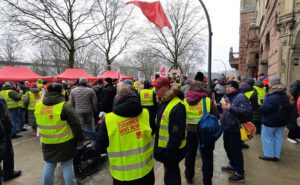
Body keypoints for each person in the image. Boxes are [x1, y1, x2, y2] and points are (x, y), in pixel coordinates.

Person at [95, 83, 155, 185]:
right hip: (146, 172)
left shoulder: (109, 119)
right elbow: (153, 132)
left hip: (122, 176)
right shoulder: (146, 114)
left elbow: (100, 147)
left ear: (117, 98)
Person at [34, 83, 84, 185]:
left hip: (46, 141)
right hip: (65, 142)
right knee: (67, 164)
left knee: (49, 163)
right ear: (61, 92)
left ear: (47, 91)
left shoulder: (38, 105)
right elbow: (76, 124)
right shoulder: (65, 106)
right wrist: (80, 138)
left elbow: (37, 122)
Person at [183, 80, 220, 185]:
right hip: (205, 132)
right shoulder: (207, 101)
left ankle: (189, 176)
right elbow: (217, 116)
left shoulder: (185, 101)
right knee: (207, 157)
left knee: (190, 154)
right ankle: (207, 181)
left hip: (190, 132)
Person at [152, 77, 186, 185]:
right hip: (166, 150)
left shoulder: (177, 106)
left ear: (167, 88)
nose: (155, 90)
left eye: (158, 88)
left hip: (172, 151)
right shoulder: (163, 102)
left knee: (172, 177)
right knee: (170, 174)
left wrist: (169, 154)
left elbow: (176, 134)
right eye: (155, 88)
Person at [220, 80, 252, 183]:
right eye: (226, 86)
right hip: (227, 128)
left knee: (236, 151)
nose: (227, 88)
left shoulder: (241, 97)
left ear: (235, 87)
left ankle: (240, 173)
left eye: (229, 86)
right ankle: (232, 165)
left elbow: (245, 111)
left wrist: (230, 108)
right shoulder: (228, 96)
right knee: (227, 147)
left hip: (235, 129)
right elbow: (225, 110)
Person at [259, 75, 291, 161]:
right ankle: (276, 155)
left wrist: (262, 106)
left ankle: (269, 155)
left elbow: (264, 109)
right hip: (282, 122)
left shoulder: (271, 96)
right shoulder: (285, 95)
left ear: (273, 84)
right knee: (278, 138)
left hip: (270, 121)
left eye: (269, 82)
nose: (268, 83)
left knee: (268, 138)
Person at [0, 94, 22, 183]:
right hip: (2, 130)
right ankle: (8, 174)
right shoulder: (0, 99)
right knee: (8, 153)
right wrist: (9, 129)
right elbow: (4, 116)